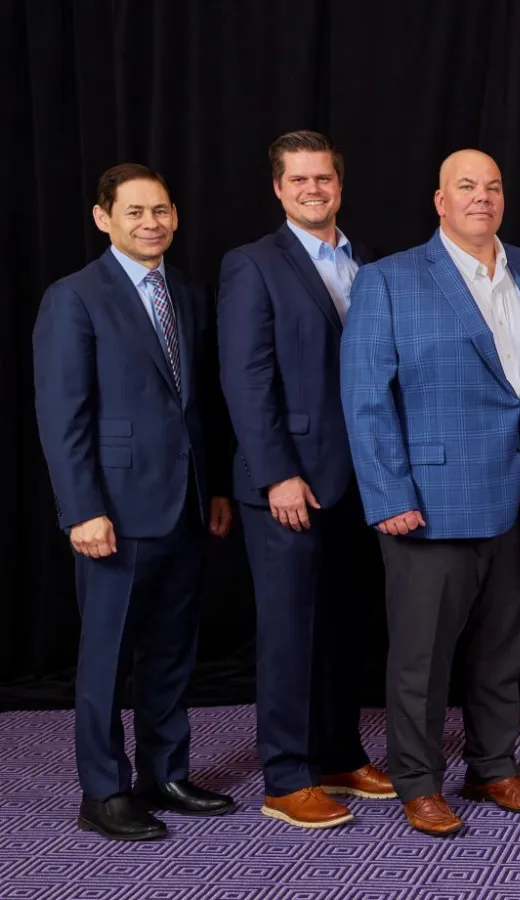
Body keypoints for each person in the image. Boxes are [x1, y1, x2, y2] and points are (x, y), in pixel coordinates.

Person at [340, 149, 520, 837]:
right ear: (439, 201)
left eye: (493, 186)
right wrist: (387, 495)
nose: (481, 197)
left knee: (504, 649)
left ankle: (494, 765)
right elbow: (364, 398)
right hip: (429, 502)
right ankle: (417, 780)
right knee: (421, 656)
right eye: (465, 186)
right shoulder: (388, 280)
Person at [33, 163, 237, 841]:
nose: (151, 223)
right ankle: (103, 791)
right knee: (106, 655)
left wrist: (213, 488)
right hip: (112, 512)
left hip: (182, 505)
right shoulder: (75, 297)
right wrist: (80, 509)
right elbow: (64, 415)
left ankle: (166, 773)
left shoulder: (187, 291)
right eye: (135, 212)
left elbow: (197, 406)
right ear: (103, 218)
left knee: (172, 651)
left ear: (175, 216)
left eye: (161, 211)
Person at [218, 130, 395, 830]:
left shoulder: (369, 264)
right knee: (290, 631)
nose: (313, 189)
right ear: (278, 188)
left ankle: (338, 754)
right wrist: (277, 475)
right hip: (287, 483)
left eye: (323, 178)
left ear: (340, 185)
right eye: (299, 180)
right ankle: (286, 776)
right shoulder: (252, 265)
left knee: (344, 627)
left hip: (356, 480)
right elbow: (246, 376)